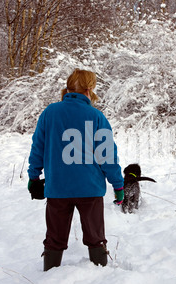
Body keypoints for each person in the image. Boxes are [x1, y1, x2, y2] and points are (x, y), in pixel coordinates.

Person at [27, 69, 124, 271]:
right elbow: (107, 156)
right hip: (90, 188)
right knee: (96, 238)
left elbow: (38, 147)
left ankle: (48, 279)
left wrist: (34, 177)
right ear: (89, 89)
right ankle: (101, 277)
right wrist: (118, 184)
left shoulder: (50, 113)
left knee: (54, 238)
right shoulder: (96, 116)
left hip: (58, 187)